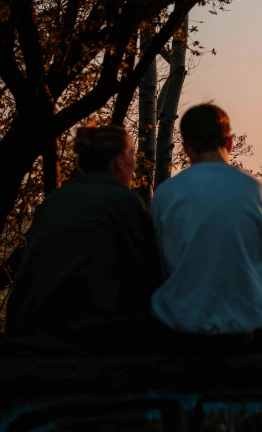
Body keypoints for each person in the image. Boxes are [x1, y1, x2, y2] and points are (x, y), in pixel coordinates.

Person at [4, 125, 162, 355]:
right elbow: (148, 276)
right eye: (132, 156)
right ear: (119, 161)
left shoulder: (53, 202)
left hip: (33, 331)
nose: (135, 165)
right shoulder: (123, 202)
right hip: (92, 334)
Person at [150, 103, 262, 356]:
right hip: (254, 331)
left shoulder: (166, 194)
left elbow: (162, 264)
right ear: (230, 142)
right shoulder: (261, 192)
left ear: (186, 148)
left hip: (187, 331)